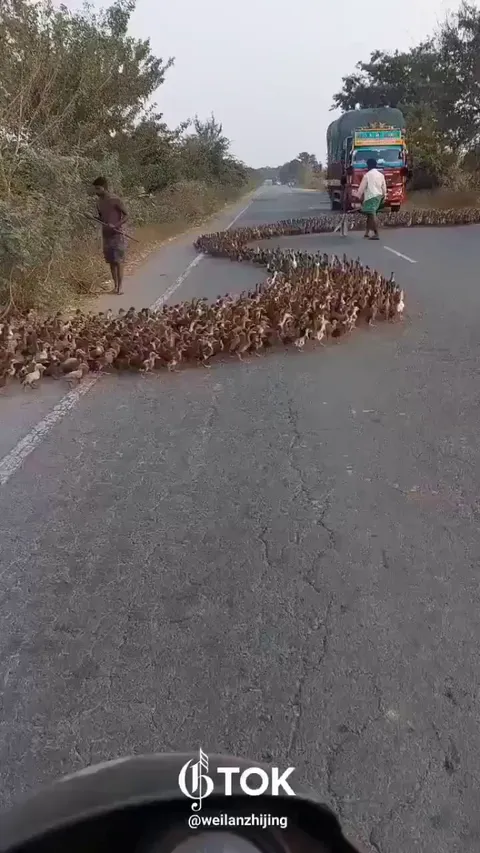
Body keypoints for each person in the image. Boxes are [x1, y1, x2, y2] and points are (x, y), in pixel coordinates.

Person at [92, 176, 128, 294]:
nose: (96, 191)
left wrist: (116, 225)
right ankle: (115, 286)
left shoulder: (115, 199)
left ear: (104, 187)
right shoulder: (99, 202)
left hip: (117, 235)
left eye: (98, 188)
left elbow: (127, 215)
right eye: (95, 189)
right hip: (106, 236)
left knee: (119, 261)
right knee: (111, 261)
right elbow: (102, 219)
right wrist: (92, 217)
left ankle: (120, 287)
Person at [356, 158, 386, 240]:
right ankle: (367, 232)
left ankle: (376, 233)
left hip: (371, 197)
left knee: (372, 214)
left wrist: (357, 196)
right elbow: (384, 188)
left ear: (368, 166)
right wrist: (384, 197)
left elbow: (361, 188)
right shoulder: (381, 175)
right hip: (379, 196)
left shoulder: (367, 175)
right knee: (370, 214)